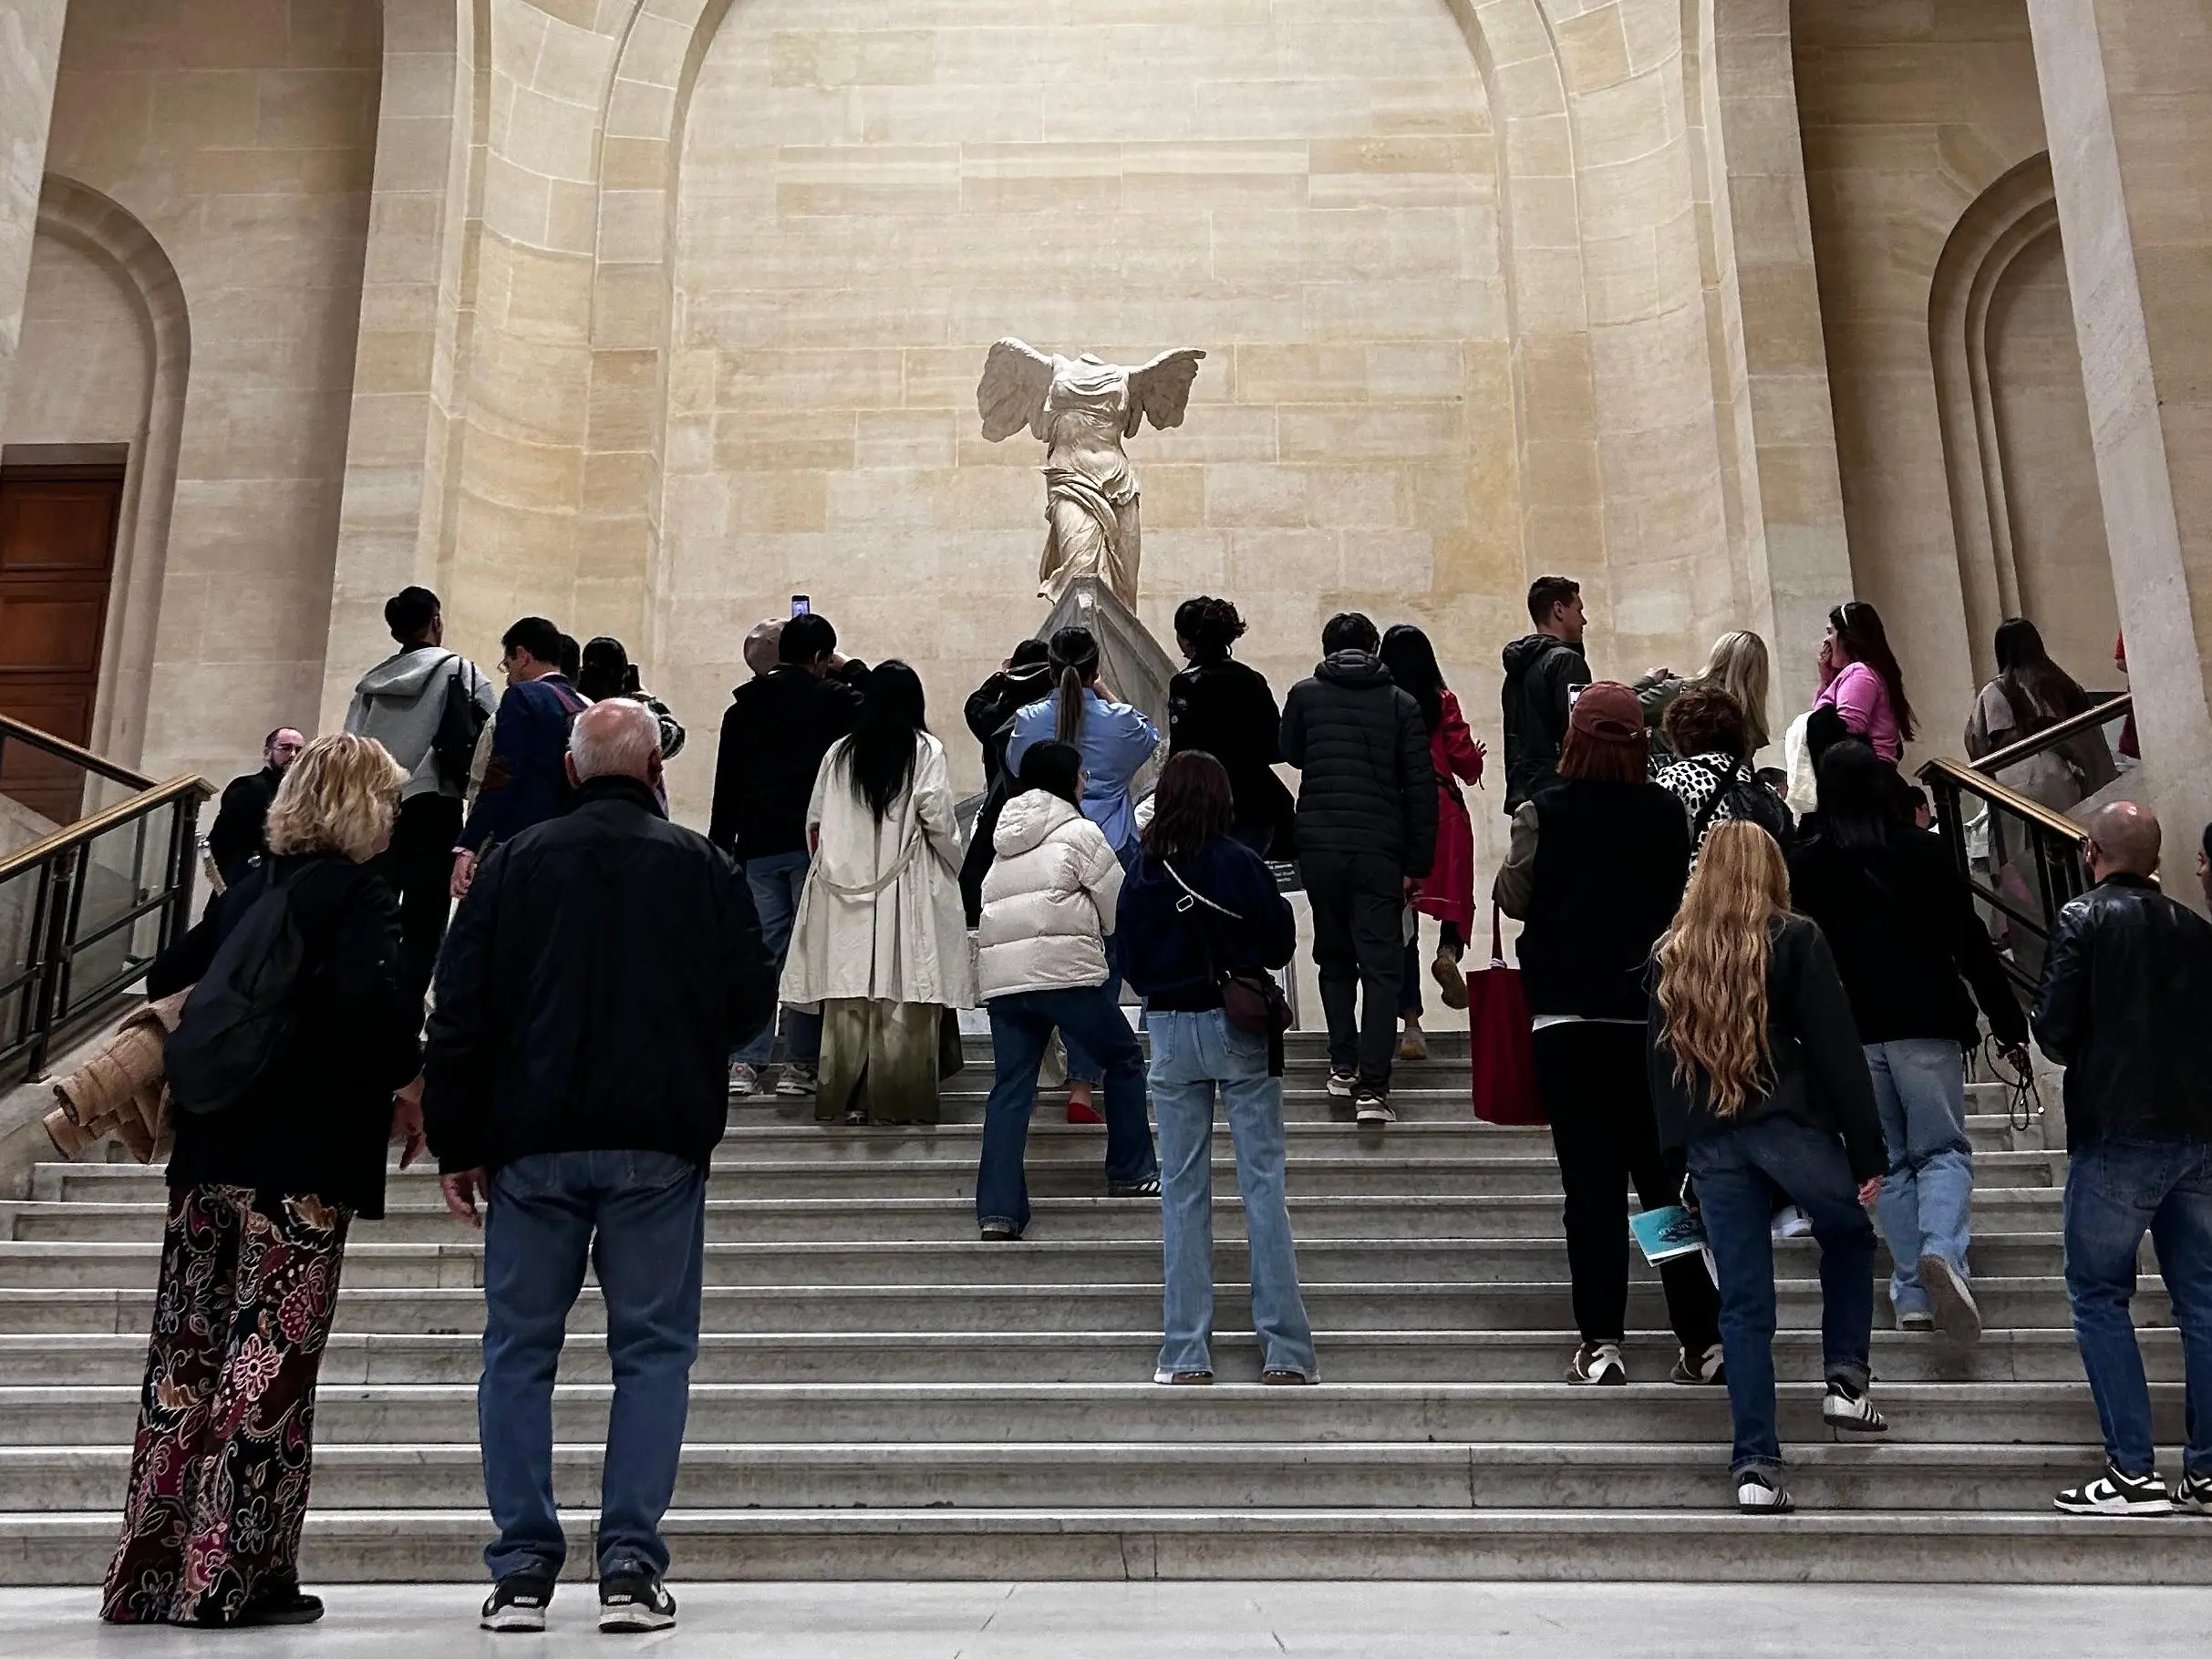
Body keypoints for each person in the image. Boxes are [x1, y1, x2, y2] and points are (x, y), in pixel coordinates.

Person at [422, 700, 777, 1633]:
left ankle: (523, 1569)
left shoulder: (514, 863)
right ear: (656, 767)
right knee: (653, 1350)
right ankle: (627, 1561)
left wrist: (457, 1139)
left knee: (516, 1350)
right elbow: (750, 1001)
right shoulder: (703, 866)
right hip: (657, 1136)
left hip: (530, 1138)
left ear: (572, 770)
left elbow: (457, 1008)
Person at [103, 735, 425, 1628]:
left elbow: (171, 973)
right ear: (363, 806)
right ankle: (231, 1578)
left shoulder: (252, 885)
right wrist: (409, 1077)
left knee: (184, 1363)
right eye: (390, 799)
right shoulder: (357, 893)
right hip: (302, 1161)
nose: (398, 815)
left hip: (208, 1150)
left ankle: (148, 1575)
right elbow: (374, 1008)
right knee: (268, 1366)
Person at [1648, 820, 1890, 1514]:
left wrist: (1674, 1164)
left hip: (1711, 1140)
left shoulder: (1672, 952)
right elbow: (1838, 1051)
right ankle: (1845, 1386)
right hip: (1789, 1125)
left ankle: (1755, 1465)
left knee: (1745, 1306)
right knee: (1848, 1237)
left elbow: (1659, 1069)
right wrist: (1866, 1150)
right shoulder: (1795, 938)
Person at [1494, 681, 1721, 1385]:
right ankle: (1700, 1339)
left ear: (1575, 738)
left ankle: (1602, 1343)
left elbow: (1512, 894)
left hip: (1567, 1023)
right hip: (1649, 1022)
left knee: (1589, 1190)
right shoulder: (1665, 812)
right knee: (1661, 1189)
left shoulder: (1544, 811)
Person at [1790, 739, 2031, 1342]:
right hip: (1926, 1022)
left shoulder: (1809, 864)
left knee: (1887, 1160)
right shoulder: (1923, 852)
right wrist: (2007, 1024)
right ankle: (1944, 1251)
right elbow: (1970, 941)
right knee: (1943, 1149)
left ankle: (1910, 1292)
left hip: (1851, 1034)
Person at [2032, 802, 2212, 1516]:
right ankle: (2205, 1471)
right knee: (2201, 1302)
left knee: (2100, 1293)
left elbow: (2054, 1029)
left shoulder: (2081, 919)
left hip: (2116, 1129)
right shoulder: (2200, 932)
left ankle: (2132, 1471)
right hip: (2198, 1133)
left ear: (2089, 851)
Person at [1119, 751, 1312, 1384]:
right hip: (1238, 1029)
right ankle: (1285, 1351)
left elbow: (1130, 962)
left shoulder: (1145, 871)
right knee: (1262, 1185)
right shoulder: (1241, 862)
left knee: (1181, 1190)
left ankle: (1185, 1351)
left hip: (1171, 1030)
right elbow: (1281, 942)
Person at [974, 741, 1161, 1237]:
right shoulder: (1081, 832)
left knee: (1011, 1088)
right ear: (1066, 780)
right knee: (1122, 1060)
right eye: (1082, 774)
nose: (1086, 781)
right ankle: (1132, 1171)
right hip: (1066, 978)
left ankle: (998, 1209)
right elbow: (1120, 904)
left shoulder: (1003, 839)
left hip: (1006, 984)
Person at [780, 662, 974, 1125]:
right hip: (908, 887)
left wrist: (834, 868)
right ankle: (900, 1100)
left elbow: (815, 823)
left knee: (849, 990)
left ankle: (844, 1097)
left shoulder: (839, 754)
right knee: (904, 985)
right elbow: (938, 818)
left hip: (844, 892)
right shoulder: (925, 750)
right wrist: (955, 862)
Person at [1281, 612, 1437, 1124]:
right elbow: (1419, 788)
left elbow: (1291, 752)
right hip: (1380, 851)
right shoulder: (1402, 704)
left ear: (1326, 647)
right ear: (1374, 648)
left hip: (1320, 847)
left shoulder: (1304, 695)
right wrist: (1418, 862)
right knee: (1381, 965)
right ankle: (1374, 1088)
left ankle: (1341, 1066)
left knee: (1333, 957)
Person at [708, 612, 866, 1098]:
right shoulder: (835, 700)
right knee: (809, 954)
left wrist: (722, 846)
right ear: (820, 658)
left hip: (754, 846)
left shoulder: (741, 709)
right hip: (814, 846)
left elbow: (725, 786)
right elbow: (889, 703)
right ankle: (799, 1063)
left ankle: (745, 1062)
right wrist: (849, 667)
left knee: (762, 954)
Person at [1006, 625, 1160, 1123]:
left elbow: (1014, 765)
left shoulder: (1030, 719)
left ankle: (1048, 1077)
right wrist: (1103, 691)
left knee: (1053, 963)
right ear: (1095, 669)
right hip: (1109, 846)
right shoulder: (1117, 722)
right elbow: (1149, 738)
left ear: (1049, 669)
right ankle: (1084, 1083)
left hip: (1045, 851)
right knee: (1104, 970)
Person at [345, 586, 500, 1002]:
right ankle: (406, 1017)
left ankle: (365, 1011)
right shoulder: (460, 670)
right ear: (436, 621)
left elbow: (350, 746)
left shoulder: (370, 685)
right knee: (424, 923)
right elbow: (493, 736)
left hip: (378, 810)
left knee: (373, 913)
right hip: (435, 804)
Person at [1378, 623, 1484, 1056]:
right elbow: (1465, 761)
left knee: (1403, 923)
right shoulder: (1442, 701)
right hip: (1442, 806)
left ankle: (1411, 1026)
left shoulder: (1383, 704)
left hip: (1396, 814)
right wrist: (1475, 755)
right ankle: (1448, 951)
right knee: (1456, 894)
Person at [453, 616, 586, 898]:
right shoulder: (581, 705)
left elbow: (503, 772)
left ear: (523, 656)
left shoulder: (523, 696)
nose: (508, 674)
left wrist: (469, 844)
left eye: (508, 663)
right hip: (569, 842)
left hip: (522, 841)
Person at [1165, 595, 1297, 860]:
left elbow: (1181, 756)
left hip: (1208, 810)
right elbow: (1275, 746)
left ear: (1186, 641)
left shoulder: (1186, 685)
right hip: (1258, 804)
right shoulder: (1252, 679)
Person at [1963, 619, 2116, 812]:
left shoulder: (1996, 691)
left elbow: (1981, 742)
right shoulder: (2064, 684)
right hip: (2074, 779)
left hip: (2021, 786)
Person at [959, 637, 1055, 925]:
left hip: (1004, 806)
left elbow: (973, 705)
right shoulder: (1051, 710)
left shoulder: (1001, 712)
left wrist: (1000, 679)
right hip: (1050, 810)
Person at [1653, 686, 1793, 862]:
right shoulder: (1758, 785)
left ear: (1681, 736)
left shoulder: (1675, 779)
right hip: (1756, 886)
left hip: (1700, 887)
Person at [1500, 574, 1592, 811]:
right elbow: (1578, 734)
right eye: (1579, 610)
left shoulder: (1516, 669)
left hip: (1523, 796)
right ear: (1559, 610)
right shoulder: (1566, 662)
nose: (1584, 620)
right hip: (1562, 798)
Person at [1637, 630, 1773, 759]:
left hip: (1668, 780)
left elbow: (1620, 711)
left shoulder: (1680, 690)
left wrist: (1647, 681)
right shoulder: (1750, 718)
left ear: (1718, 656)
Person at [1813, 600, 1915, 764]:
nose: (1825, 640)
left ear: (1847, 637)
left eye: (1830, 632)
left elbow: (1844, 734)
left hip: (1862, 777)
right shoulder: (1859, 673)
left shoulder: (1859, 673)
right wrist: (1825, 680)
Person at [205, 726, 305, 888]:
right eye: (285, 748)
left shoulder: (306, 795)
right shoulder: (247, 787)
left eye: (299, 750)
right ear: (268, 753)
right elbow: (222, 841)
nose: (293, 755)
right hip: (249, 884)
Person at [575, 635, 687, 764]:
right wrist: (651, 701)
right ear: (623, 676)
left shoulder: (574, 711)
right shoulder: (633, 720)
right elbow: (674, 738)